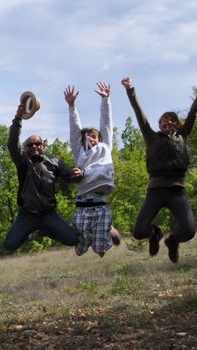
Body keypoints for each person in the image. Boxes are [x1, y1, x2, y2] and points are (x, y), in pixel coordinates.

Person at [122, 74, 197, 263]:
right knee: (139, 232)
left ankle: (172, 241)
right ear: (159, 124)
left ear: (177, 125)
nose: (168, 121)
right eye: (164, 119)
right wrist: (130, 89)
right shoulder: (151, 136)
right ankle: (156, 234)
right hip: (155, 191)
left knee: (189, 231)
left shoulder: (183, 135)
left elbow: (194, 111)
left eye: (172, 119)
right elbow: (139, 112)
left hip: (178, 191)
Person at [3, 101, 83, 253]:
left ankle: (46, 230)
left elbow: (69, 177)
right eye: (30, 145)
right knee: (9, 245)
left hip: (49, 214)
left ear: (43, 146)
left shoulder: (55, 162)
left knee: (72, 239)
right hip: (27, 214)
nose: (34, 146)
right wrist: (18, 118)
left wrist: (80, 174)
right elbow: (12, 144)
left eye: (37, 143)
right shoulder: (22, 162)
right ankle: (30, 230)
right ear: (26, 149)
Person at [65, 82, 122, 257]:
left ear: (100, 138)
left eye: (94, 136)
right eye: (88, 137)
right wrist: (72, 106)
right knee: (80, 250)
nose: (91, 138)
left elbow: (106, 124)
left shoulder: (105, 147)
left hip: (100, 200)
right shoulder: (80, 152)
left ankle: (108, 230)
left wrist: (106, 100)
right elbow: (75, 130)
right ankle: (104, 229)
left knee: (99, 250)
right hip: (82, 201)